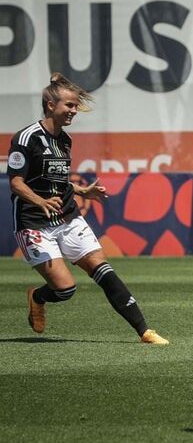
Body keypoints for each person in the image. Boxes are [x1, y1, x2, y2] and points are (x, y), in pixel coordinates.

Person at [8, 73, 168, 345]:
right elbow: (15, 183)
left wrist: (82, 191)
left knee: (103, 269)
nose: (74, 111)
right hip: (33, 222)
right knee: (65, 289)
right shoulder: (26, 138)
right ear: (51, 105)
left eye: (75, 106)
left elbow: (56, 180)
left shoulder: (65, 140)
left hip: (68, 217)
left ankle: (144, 331)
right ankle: (37, 296)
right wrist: (41, 202)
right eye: (69, 105)